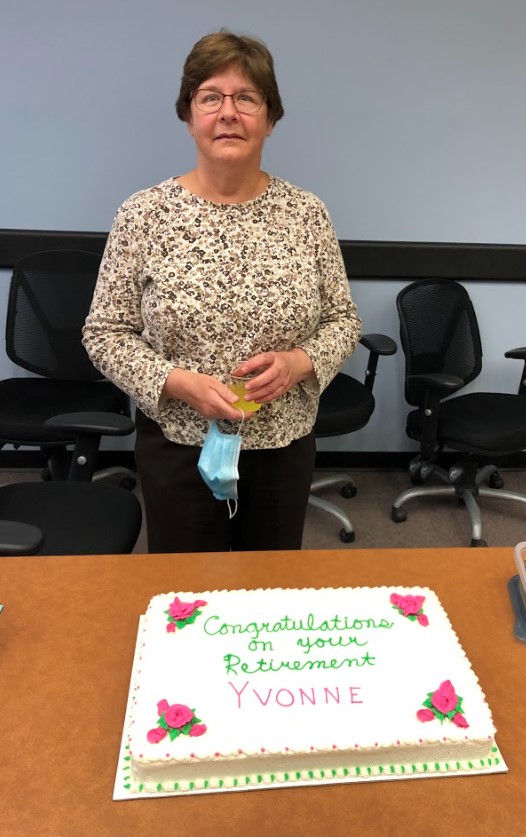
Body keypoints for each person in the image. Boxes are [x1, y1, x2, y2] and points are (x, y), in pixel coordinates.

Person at [82, 31, 361, 553]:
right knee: (188, 597)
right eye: (210, 97)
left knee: (270, 595)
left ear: (270, 119)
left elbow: (343, 320)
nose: (228, 112)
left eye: (246, 98)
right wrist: (176, 381)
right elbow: (105, 333)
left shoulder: (307, 214)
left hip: (282, 444)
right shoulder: (143, 215)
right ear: (189, 117)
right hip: (178, 447)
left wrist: (300, 362)